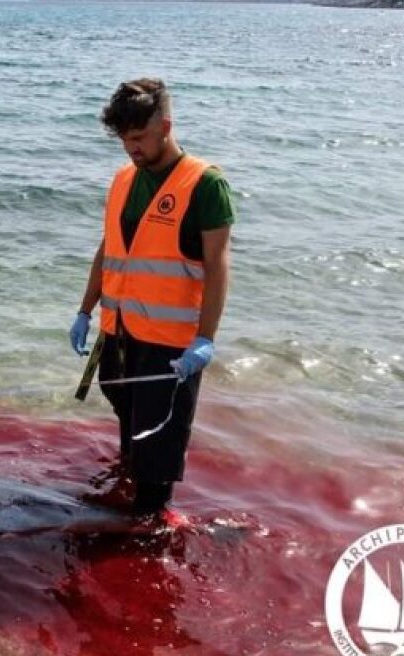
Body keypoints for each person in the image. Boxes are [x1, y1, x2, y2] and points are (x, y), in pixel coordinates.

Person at [70, 78, 235, 519]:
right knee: (126, 417)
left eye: (139, 138)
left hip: (170, 344)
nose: (131, 149)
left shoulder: (205, 185)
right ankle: (128, 493)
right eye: (124, 140)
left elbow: (218, 266)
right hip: (119, 329)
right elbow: (109, 249)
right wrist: (86, 309)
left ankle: (150, 522)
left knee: (156, 449)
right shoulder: (124, 179)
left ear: (166, 125)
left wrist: (205, 339)